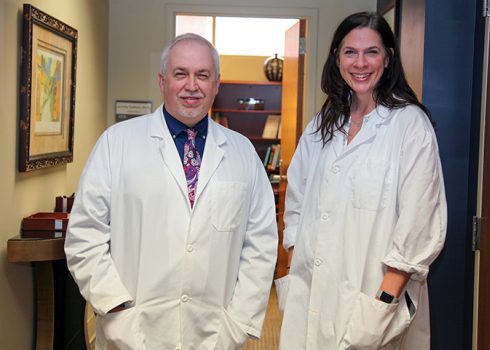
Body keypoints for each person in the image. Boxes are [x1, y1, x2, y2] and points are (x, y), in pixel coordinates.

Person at [65, 33, 278, 350]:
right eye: (181, 74)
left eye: (202, 75)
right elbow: (85, 235)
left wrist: (238, 320)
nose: (192, 85)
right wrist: (116, 308)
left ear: (216, 84)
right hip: (131, 330)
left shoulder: (242, 152)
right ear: (162, 80)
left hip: (216, 331)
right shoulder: (116, 143)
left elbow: (260, 243)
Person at [276, 12, 447, 349]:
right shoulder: (323, 123)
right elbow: (296, 200)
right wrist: (297, 259)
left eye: (372, 51)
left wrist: (383, 302)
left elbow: (420, 221)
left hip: (373, 300)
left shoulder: (409, 125)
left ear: (389, 58)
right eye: (350, 52)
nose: (360, 63)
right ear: (337, 57)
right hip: (311, 291)